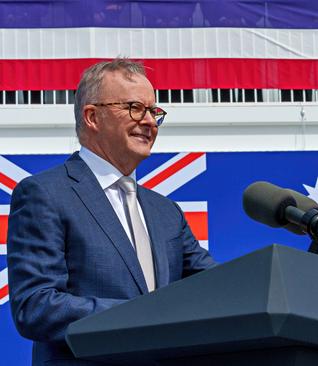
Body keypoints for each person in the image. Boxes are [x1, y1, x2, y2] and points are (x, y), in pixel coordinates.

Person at [7, 58, 216, 365]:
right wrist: (143, 315)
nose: (148, 121)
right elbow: (36, 306)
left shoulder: (166, 212)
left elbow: (217, 286)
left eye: (154, 112)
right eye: (135, 108)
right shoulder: (44, 194)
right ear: (92, 116)